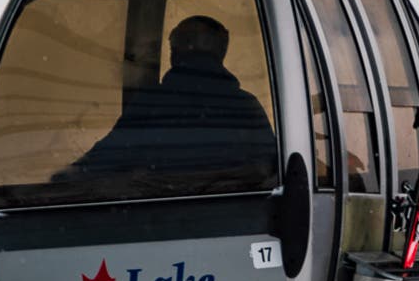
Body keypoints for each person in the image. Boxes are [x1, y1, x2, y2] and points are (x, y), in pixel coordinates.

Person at [55, 15, 278, 196]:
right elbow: (269, 166)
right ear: (220, 54)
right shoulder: (245, 106)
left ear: (178, 52)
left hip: (153, 222)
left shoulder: (151, 105)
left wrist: (61, 179)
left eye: (175, 45)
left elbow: (106, 157)